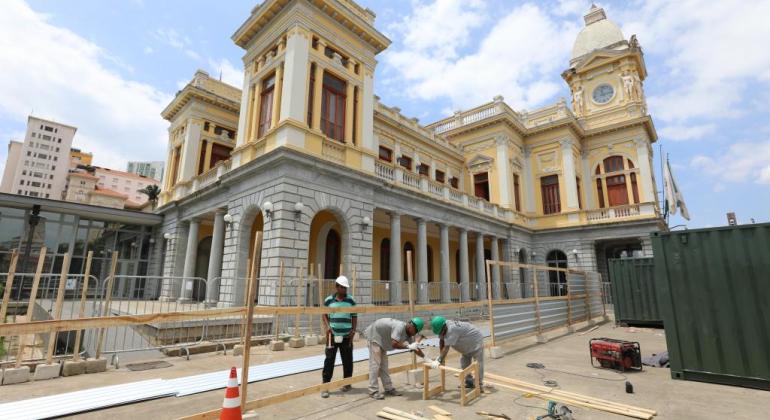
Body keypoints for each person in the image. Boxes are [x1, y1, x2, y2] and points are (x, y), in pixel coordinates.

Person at [364, 317, 426, 399]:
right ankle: (373, 391)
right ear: (411, 326)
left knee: (384, 366)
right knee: (375, 365)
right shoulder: (399, 327)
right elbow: (394, 344)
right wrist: (408, 346)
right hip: (374, 336)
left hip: (382, 339)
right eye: (416, 331)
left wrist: (426, 358)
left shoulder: (408, 334)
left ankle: (388, 389)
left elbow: (415, 349)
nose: (415, 334)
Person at [321, 275, 357, 398]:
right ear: (337, 287)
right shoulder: (328, 300)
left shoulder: (351, 300)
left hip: (347, 335)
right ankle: (325, 386)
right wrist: (327, 327)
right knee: (329, 361)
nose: (344, 290)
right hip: (332, 335)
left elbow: (354, 316)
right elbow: (324, 314)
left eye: (346, 288)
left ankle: (347, 383)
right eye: (342, 288)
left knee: (347, 360)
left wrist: (353, 330)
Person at [429, 316, 485, 389]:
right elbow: (441, 341)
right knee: (464, 363)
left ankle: (479, 384)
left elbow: (446, 348)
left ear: (444, 327)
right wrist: (440, 357)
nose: (440, 333)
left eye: (441, 331)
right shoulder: (443, 326)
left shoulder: (452, 330)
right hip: (466, 342)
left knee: (478, 363)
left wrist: (439, 360)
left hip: (475, 340)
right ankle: (469, 382)